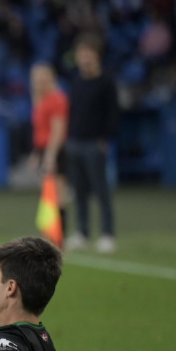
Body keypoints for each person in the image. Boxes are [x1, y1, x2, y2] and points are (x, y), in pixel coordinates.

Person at [63, 34, 119, 254]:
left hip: (95, 144)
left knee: (101, 190)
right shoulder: (76, 82)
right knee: (80, 192)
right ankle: (82, 233)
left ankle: (107, 234)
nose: (84, 58)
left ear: (96, 56)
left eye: (88, 53)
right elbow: (72, 113)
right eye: (81, 53)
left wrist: (105, 139)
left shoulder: (106, 82)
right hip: (75, 142)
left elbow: (113, 114)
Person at [29, 63, 69, 239]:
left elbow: (58, 130)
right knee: (47, 195)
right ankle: (52, 236)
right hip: (43, 150)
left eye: (41, 79)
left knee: (57, 195)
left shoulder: (57, 99)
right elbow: (40, 129)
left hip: (55, 150)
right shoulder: (40, 100)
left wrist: (50, 155)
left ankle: (60, 238)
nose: (37, 83)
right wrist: (36, 153)